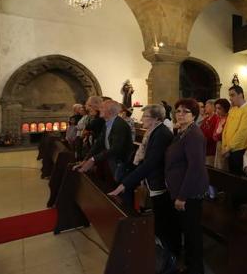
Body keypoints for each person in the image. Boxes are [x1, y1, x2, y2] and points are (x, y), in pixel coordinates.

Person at [107, 104, 178, 254]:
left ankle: (167, 253)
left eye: (145, 116)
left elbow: (151, 163)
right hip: (154, 179)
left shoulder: (161, 134)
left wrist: (125, 184)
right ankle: (162, 248)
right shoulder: (154, 131)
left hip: (160, 181)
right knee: (159, 216)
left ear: (155, 118)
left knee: (163, 218)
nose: (141, 119)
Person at [165, 98, 208, 274]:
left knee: (192, 233)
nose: (180, 114)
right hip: (180, 188)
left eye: (185, 111)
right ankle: (189, 265)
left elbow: (195, 167)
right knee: (187, 230)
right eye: (178, 111)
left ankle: (196, 269)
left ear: (194, 115)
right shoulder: (183, 131)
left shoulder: (194, 135)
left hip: (190, 192)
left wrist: (182, 196)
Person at [76, 100, 135, 185]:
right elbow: (99, 143)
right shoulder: (108, 123)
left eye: (102, 108)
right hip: (111, 158)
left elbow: (116, 149)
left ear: (109, 111)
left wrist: (93, 159)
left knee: (118, 186)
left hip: (120, 161)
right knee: (108, 182)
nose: (99, 109)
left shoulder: (119, 125)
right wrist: (86, 159)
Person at [221, 85, 247, 175]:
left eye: (232, 95)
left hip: (239, 150)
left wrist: (228, 148)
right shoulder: (233, 109)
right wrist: (225, 146)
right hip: (229, 149)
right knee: (231, 176)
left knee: (238, 177)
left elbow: (242, 133)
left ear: (240, 95)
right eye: (230, 96)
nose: (230, 98)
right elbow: (226, 129)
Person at [200, 99, 219, 166]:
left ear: (212, 107)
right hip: (204, 148)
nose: (205, 108)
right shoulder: (206, 119)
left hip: (211, 149)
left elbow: (213, 133)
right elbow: (200, 130)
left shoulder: (216, 119)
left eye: (207, 106)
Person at [213, 98, 230, 169]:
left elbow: (227, 135)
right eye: (216, 108)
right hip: (218, 145)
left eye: (219, 108)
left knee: (224, 168)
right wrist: (216, 135)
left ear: (225, 108)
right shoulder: (219, 119)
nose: (217, 111)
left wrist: (217, 135)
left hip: (226, 147)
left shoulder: (229, 119)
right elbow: (214, 135)